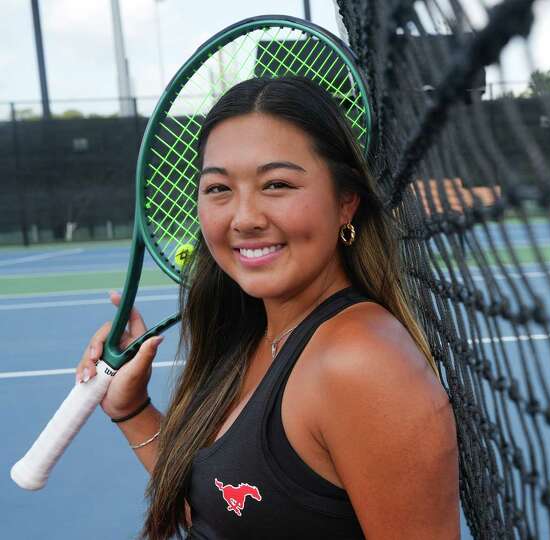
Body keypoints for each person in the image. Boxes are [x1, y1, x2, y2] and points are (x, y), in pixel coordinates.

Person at [75, 76, 460, 539]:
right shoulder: (259, 333)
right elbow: (234, 515)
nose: (245, 218)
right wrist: (132, 409)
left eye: (276, 184)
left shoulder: (361, 364)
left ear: (346, 202)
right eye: (218, 189)